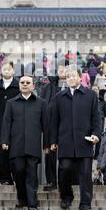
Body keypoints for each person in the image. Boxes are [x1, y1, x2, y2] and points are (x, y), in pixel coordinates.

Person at [50, 68, 101, 210]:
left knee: (85, 173)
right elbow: (54, 121)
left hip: (84, 141)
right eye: (68, 76)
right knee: (64, 169)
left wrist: (96, 134)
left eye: (73, 75)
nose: (70, 78)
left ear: (80, 77)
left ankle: (85, 204)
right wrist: (53, 140)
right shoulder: (59, 97)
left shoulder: (90, 95)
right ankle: (66, 196)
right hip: (65, 141)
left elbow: (96, 118)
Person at [1, 75, 49, 210]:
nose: (25, 84)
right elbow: (6, 123)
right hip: (16, 146)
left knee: (32, 175)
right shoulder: (11, 103)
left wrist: (46, 144)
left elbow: (46, 126)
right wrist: (5, 141)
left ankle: (32, 204)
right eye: (22, 82)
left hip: (33, 146)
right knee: (19, 172)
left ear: (33, 86)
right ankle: (22, 198)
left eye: (28, 82)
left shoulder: (41, 103)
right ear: (19, 85)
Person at [0, 61, 20, 185]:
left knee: (15, 151)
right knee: (3, 153)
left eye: (9, 69)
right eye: (4, 69)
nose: (7, 71)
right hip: (0, 123)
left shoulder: (19, 85)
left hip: (16, 124)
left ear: (13, 70)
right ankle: (4, 178)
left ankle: (16, 176)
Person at [40, 62, 67, 191]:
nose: (62, 71)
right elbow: (42, 106)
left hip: (68, 125)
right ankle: (51, 181)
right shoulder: (48, 87)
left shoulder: (75, 86)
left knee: (68, 157)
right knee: (50, 154)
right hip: (51, 126)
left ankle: (66, 182)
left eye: (65, 69)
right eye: (60, 68)